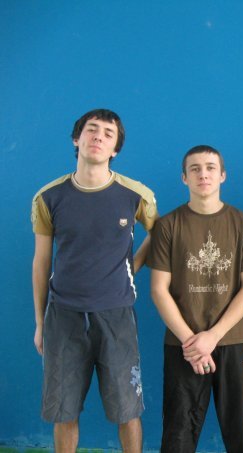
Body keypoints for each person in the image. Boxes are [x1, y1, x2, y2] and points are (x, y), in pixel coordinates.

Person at [31, 108, 158, 453]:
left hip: (116, 315)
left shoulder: (136, 195)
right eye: (92, 129)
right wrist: (40, 323)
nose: (98, 137)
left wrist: (129, 268)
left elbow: (160, 236)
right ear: (77, 138)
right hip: (63, 316)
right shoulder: (48, 197)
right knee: (64, 411)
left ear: (115, 148)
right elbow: (41, 262)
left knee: (127, 410)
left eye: (108, 133)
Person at [147, 145, 243, 453]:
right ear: (184, 178)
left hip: (232, 340)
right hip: (182, 344)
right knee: (178, 432)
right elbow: (158, 289)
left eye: (211, 167)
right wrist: (192, 343)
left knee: (240, 431)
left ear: (223, 175)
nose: (203, 174)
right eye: (195, 169)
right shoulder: (168, 225)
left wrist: (212, 337)